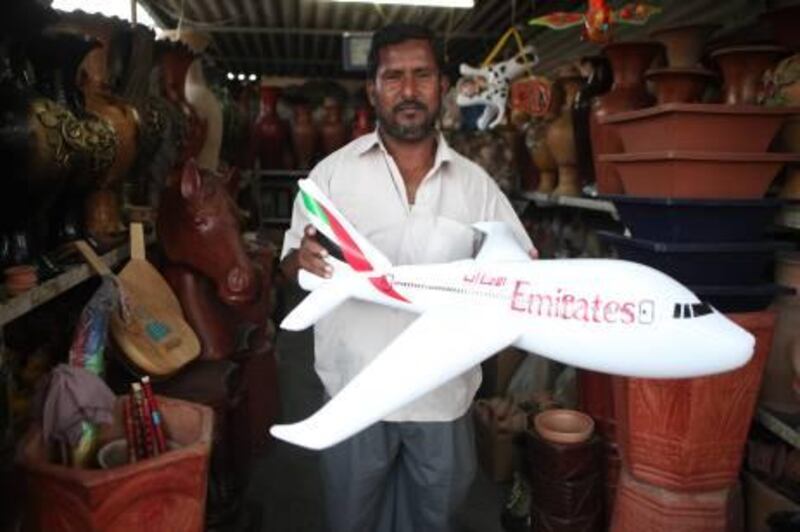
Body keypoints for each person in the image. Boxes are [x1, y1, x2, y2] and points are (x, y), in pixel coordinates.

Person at [280, 23, 536, 532]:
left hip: (441, 400)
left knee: (433, 523)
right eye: (393, 76)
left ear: (442, 85)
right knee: (351, 522)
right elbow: (289, 262)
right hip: (355, 394)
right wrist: (302, 260)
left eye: (422, 75)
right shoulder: (333, 175)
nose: (409, 90)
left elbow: (523, 267)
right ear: (374, 88)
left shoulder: (475, 185)